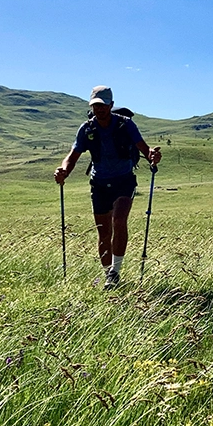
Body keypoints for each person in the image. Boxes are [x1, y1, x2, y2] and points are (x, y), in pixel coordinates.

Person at [54, 86, 161, 289]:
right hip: (99, 183)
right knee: (103, 232)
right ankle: (108, 277)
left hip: (124, 180)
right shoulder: (87, 129)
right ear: (91, 106)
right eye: (95, 105)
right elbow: (73, 156)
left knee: (119, 220)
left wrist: (152, 156)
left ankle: (115, 271)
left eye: (103, 105)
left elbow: (144, 148)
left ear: (111, 106)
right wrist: (63, 170)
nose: (99, 109)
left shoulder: (125, 125)